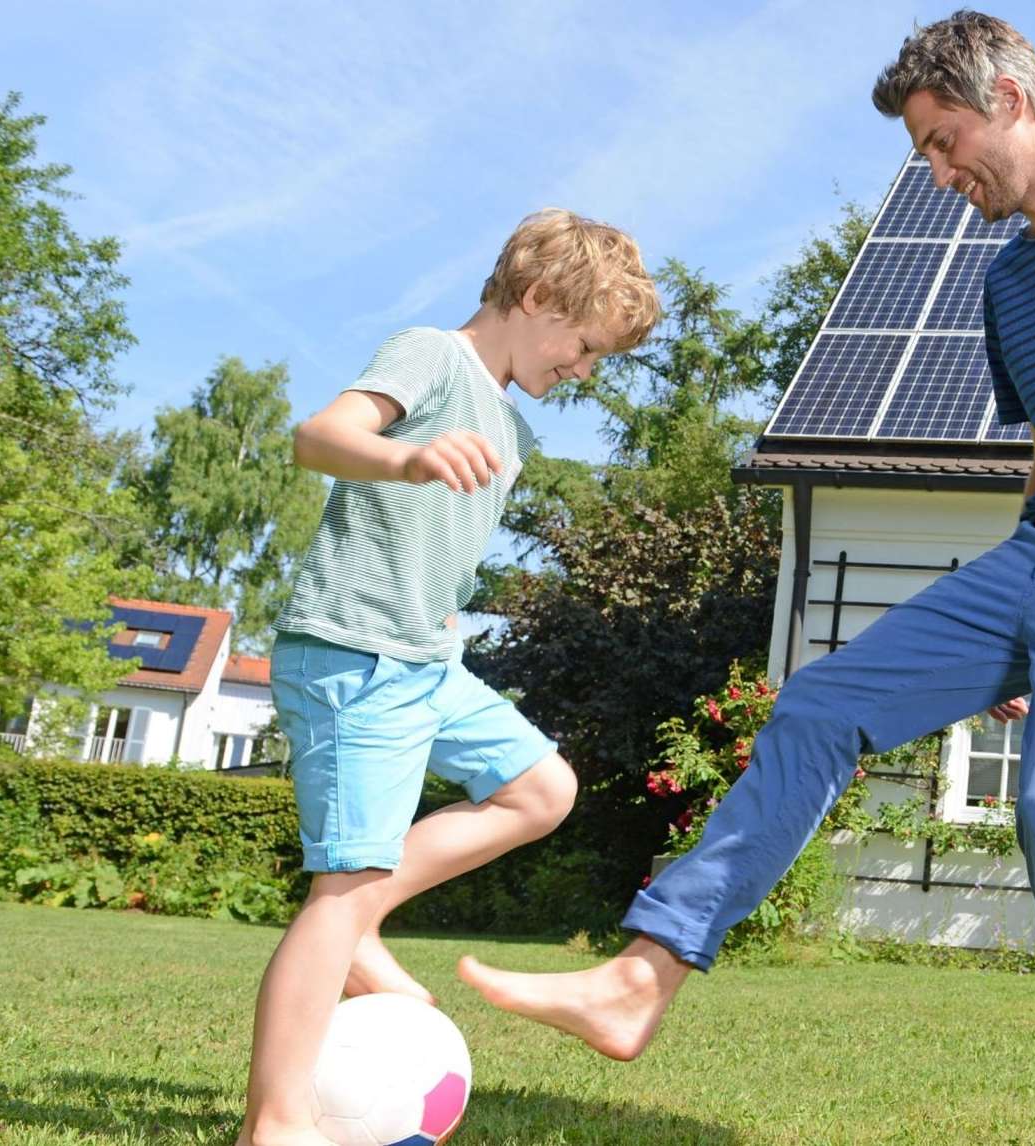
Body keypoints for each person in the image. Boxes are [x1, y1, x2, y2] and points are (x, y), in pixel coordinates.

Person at [458, 12, 1035, 1145]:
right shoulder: (1009, 283)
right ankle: (639, 980)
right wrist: (1015, 630)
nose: (938, 171)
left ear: (1007, 99)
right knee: (818, 702)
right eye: (923, 152)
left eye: (943, 140)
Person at [234, 208, 659, 1146]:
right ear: (539, 298)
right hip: (355, 651)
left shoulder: (512, 427)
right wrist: (405, 455)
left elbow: (433, 551)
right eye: (584, 347)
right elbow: (319, 437)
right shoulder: (432, 355)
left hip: (427, 657)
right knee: (338, 891)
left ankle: (364, 920)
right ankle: (275, 1121)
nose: (584, 371)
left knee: (542, 788)